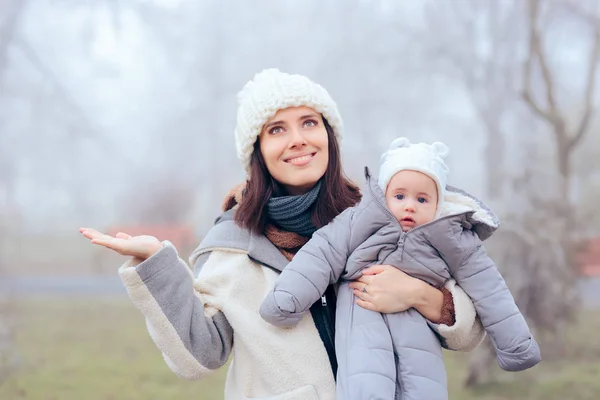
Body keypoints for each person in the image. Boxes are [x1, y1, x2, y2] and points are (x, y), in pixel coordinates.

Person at [79, 68, 485, 400]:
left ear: (329, 135)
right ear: (257, 151)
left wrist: (419, 295)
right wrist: (155, 264)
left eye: (309, 122)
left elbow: (469, 333)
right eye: (276, 129)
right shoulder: (232, 248)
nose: (298, 140)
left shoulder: (385, 216)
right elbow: (199, 357)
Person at [260, 137, 542, 399]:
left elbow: (490, 289)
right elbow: (323, 252)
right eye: (400, 196)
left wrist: (516, 346)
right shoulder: (361, 219)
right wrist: (286, 299)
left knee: (422, 385)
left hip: (416, 326)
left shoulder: (452, 237)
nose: (409, 207)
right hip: (362, 314)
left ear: (438, 204)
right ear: (384, 195)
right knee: (366, 382)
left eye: (422, 199)